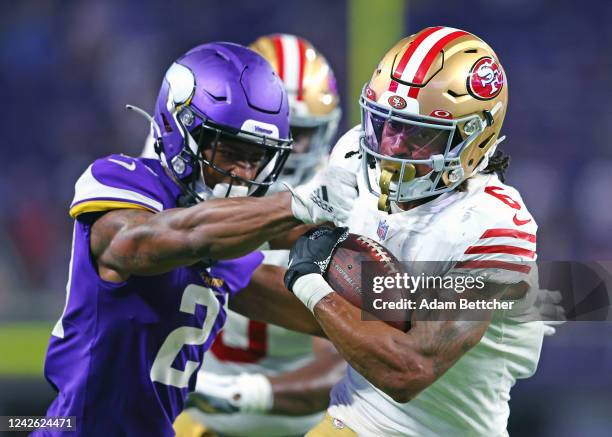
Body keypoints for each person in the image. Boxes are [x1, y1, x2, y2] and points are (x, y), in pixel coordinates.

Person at [35, 42, 356, 437]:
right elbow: (145, 243)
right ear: (180, 130)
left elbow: (316, 308)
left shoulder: (221, 241)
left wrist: (421, 294)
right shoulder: (120, 180)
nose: (242, 173)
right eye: (230, 151)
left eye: (257, 158)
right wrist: (299, 205)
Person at [281, 26, 549, 436]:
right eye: (386, 122)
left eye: (420, 133)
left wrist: (311, 285)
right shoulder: (356, 160)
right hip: (350, 422)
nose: (392, 145)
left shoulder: (494, 224)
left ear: (473, 138)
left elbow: (411, 370)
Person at [173, 34, 346, 437]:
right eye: (256, 137)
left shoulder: (339, 204)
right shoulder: (185, 177)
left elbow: (346, 360)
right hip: (199, 415)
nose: (278, 152)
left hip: (305, 426)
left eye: (297, 134)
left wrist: (237, 392)